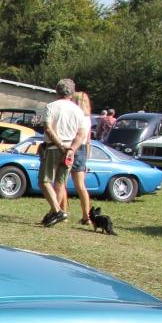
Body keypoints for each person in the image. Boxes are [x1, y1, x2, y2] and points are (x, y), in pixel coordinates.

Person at [38, 78, 84, 227]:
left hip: (53, 148)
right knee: (60, 183)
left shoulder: (51, 106)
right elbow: (81, 134)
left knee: (44, 181)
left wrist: (59, 145)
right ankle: (53, 214)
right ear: (72, 93)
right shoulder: (78, 110)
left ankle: (57, 211)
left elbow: (48, 128)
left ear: (57, 91)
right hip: (70, 150)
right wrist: (71, 149)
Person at [67, 91, 94, 225]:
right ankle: (86, 215)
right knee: (81, 186)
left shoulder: (75, 116)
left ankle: (62, 212)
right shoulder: (88, 118)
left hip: (72, 147)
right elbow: (88, 140)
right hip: (82, 149)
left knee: (61, 182)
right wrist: (87, 156)